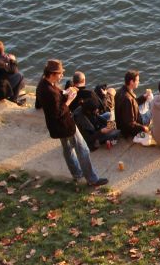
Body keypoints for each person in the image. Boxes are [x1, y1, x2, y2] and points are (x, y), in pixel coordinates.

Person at [36, 59, 107, 187]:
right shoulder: (50, 92)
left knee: (67, 149)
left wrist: (64, 92)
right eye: (60, 73)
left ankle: (77, 174)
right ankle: (92, 179)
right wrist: (69, 99)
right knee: (83, 149)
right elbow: (59, 111)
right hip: (65, 124)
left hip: (54, 125)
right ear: (52, 73)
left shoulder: (43, 84)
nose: (62, 76)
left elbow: (54, 102)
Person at [114, 70, 153, 139]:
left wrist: (144, 97)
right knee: (152, 110)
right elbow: (130, 123)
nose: (139, 82)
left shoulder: (120, 92)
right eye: (137, 80)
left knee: (148, 100)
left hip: (121, 125)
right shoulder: (127, 99)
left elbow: (133, 103)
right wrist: (143, 128)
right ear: (132, 82)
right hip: (129, 130)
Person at [0, 40, 25, 104]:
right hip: (0, 88)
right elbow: (14, 71)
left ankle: (14, 93)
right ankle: (14, 98)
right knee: (20, 76)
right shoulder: (3, 60)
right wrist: (13, 60)